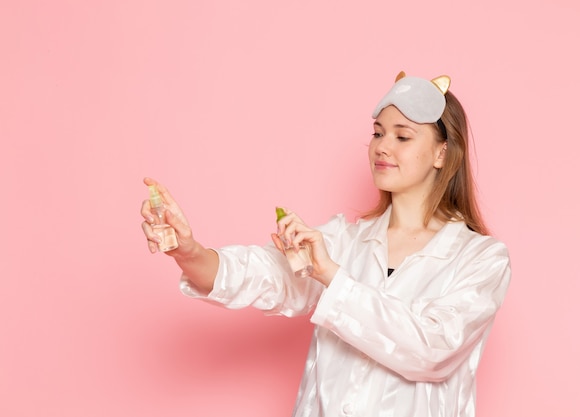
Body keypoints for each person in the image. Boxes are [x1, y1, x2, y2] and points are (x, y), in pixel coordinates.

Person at [140, 71, 511, 417]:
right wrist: (187, 250)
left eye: (402, 136)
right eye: (378, 133)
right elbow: (261, 275)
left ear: (442, 153)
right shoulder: (343, 240)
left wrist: (332, 277)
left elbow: (431, 350)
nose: (382, 147)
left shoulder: (480, 259)